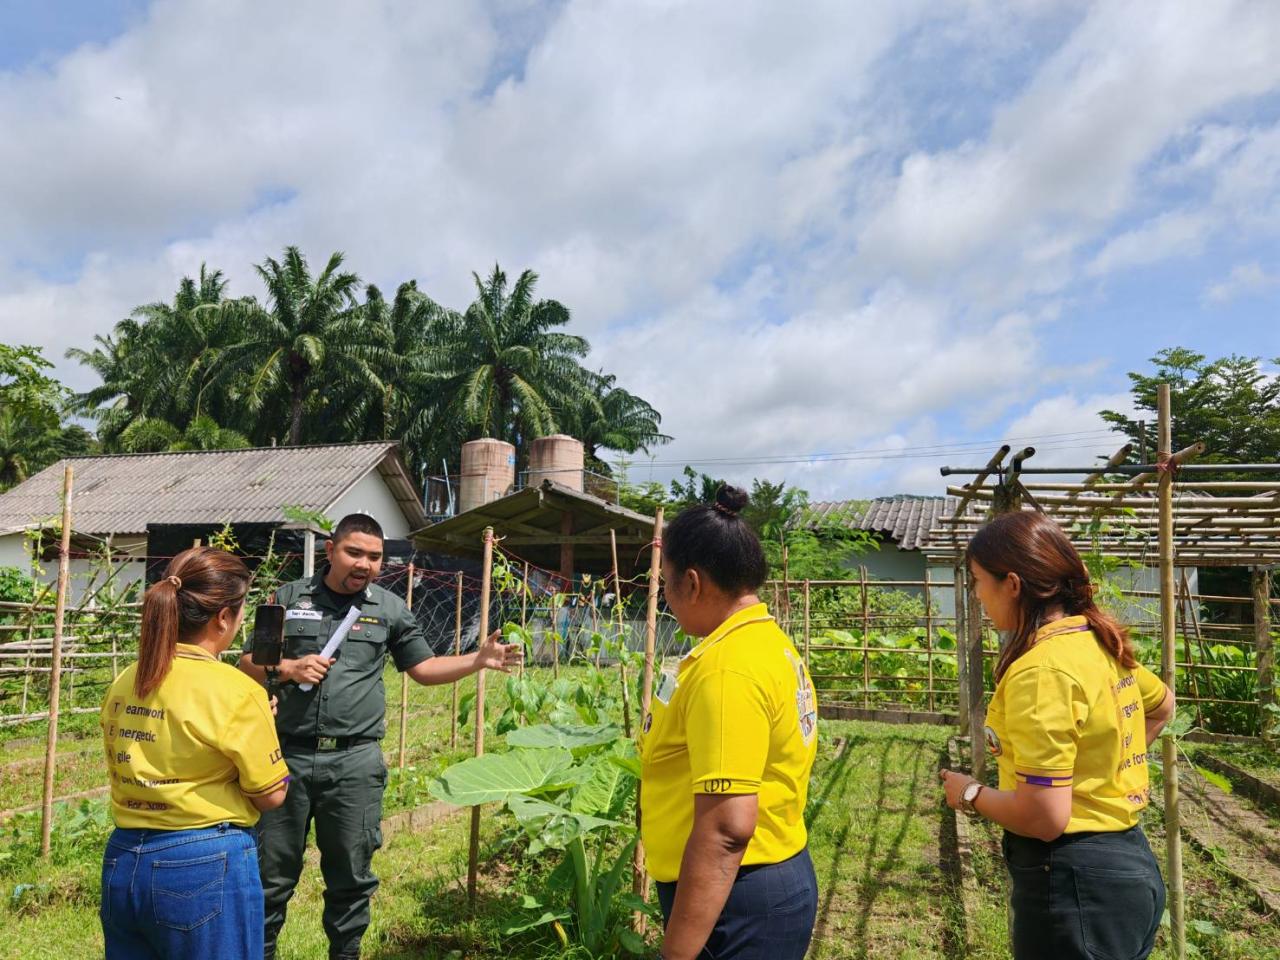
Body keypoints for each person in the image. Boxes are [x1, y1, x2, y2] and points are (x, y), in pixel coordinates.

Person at [238, 513, 523, 960]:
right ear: (330, 551)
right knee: (270, 875)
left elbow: (423, 669)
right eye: (354, 552)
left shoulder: (388, 609)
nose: (365, 564)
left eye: (375, 557)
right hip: (284, 758)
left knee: (351, 874)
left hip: (354, 764)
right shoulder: (288, 599)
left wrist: (477, 660)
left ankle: (346, 954)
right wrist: (288, 669)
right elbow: (248, 663)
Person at [939, 511, 1176, 960]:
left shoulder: (1043, 670)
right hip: (1128, 868)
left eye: (976, 580)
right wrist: (1097, 770)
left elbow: (1044, 818)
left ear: (1011, 584)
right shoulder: (1096, 641)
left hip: (1075, 887)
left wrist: (968, 794)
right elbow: (1162, 706)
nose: (975, 595)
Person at [640, 485, 820, 960]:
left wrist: (674, 954)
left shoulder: (728, 668)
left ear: (693, 583)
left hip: (734, 901)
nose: (665, 600)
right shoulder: (768, 643)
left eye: (666, 585)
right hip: (761, 879)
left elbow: (725, 829)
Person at [100, 547, 289, 960]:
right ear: (224, 617)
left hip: (123, 859)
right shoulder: (238, 690)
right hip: (203, 865)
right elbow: (271, 795)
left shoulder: (128, 677)